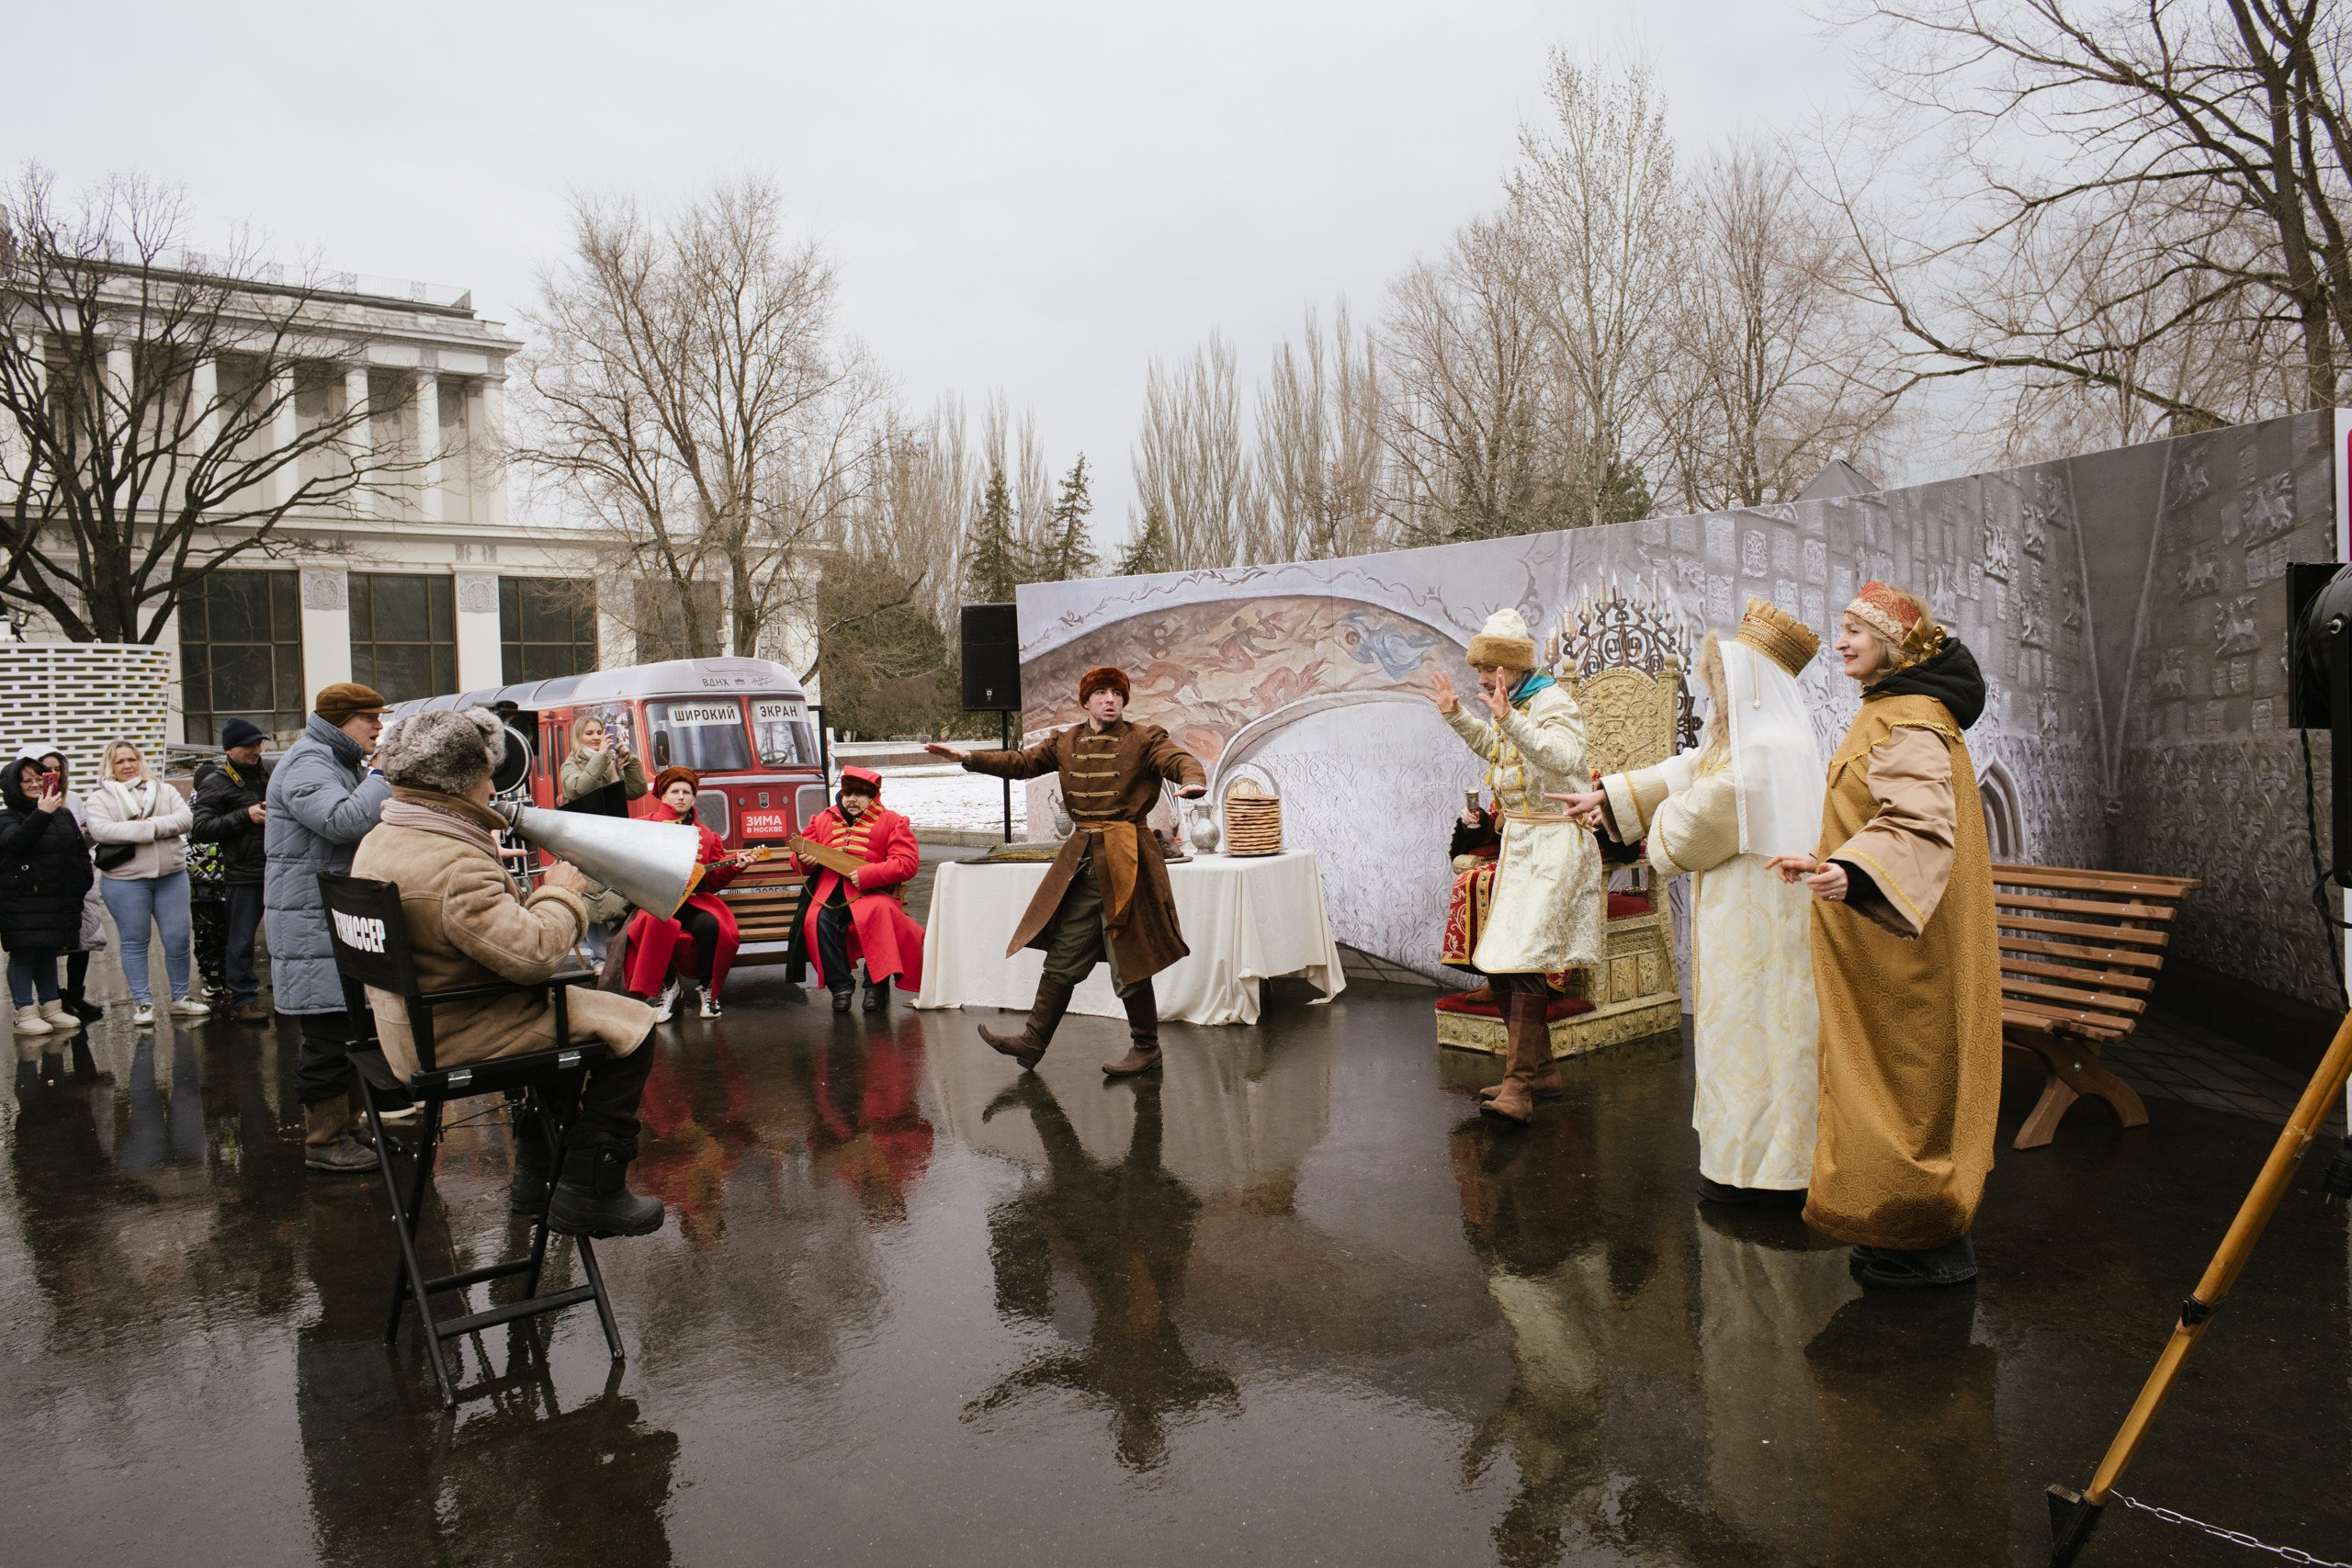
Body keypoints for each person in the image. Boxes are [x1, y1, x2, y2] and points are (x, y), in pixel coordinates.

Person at [352, 707, 664, 1237]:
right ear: (458, 782)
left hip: (406, 1026)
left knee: (577, 1026)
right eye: (485, 774)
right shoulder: (455, 866)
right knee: (634, 1025)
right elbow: (534, 957)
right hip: (457, 1032)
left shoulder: (383, 838)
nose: (493, 785)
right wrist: (560, 894)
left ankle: (537, 1176)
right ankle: (592, 1186)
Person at [1768, 582, 2000, 1290]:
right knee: (1882, 1085)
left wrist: (1855, 872)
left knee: (1908, 1087)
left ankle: (1927, 1242)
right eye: (1841, 626)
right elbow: (1875, 815)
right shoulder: (1890, 708)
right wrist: (1828, 858)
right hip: (1883, 946)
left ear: (1894, 644)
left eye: (1856, 630)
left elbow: (1919, 823)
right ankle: (1894, 1228)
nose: (1841, 641)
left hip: (1907, 954)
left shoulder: (1911, 717)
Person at [1556, 599, 1826, 1203]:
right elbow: (1692, 766)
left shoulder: (1763, 752)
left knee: (1755, 1041)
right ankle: (1751, 1164)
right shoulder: (1755, 741)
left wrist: (1652, 826)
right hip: (1750, 923)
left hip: (1754, 935)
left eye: (1723, 681)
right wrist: (1610, 796)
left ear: (1751, 683)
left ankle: (1765, 1176)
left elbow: (1684, 834)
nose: (1716, 695)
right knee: (1750, 1039)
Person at [924, 665, 1207, 1077]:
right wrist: (970, 758)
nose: (1110, 699)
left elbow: (1177, 759)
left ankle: (1146, 1048)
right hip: (1083, 862)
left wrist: (1193, 778)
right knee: (1065, 951)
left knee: (1129, 954)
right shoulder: (1066, 742)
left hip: (1127, 859)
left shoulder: (1145, 738)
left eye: (1117, 693)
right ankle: (1033, 1040)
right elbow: (1021, 762)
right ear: (1086, 701)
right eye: (1102, 693)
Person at [1425, 608, 1605, 1124]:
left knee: (1523, 961)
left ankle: (1519, 1085)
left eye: (1490, 669)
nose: (1482, 678)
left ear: (1513, 666)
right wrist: (1458, 715)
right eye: (1480, 669)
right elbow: (1498, 751)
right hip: (1521, 845)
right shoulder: (1516, 704)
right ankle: (1541, 1072)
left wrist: (1509, 719)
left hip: (1555, 845)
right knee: (1502, 960)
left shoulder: (1552, 703)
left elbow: (1562, 759)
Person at [266, 682, 394, 1173]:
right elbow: (342, 822)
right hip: (311, 924)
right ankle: (323, 1139)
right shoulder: (308, 762)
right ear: (342, 722)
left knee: (354, 1027)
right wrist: (380, 775)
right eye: (370, 718)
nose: (378, 726)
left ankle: (349, 1125)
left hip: (331, 917)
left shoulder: (336, 760)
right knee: (329, 1033)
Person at [622, 768, 758, 1021]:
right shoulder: (644, 825)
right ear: (663, 796)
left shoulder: (707, 835)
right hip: (658, 902)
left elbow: (711, 882)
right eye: (675, 791)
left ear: (694, 798)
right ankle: (669, 987)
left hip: (694, 901)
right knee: (654, 922)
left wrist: (734, 867)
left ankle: (708, 990)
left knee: (711, 925)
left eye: (686, 792)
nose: (681, 796)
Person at [84, 738, 202, 1028]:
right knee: (135, 942)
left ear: (140, 761)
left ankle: (180, 998)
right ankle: (143, 1003)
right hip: (125, 880)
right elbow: (102, 831)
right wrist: (155, 829)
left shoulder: (164, 789)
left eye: (131, 759)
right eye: (120, 761)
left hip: (171, 876)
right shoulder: (100, 798)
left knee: (177, 939)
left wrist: (150, 826)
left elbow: (185, 819)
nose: (127, 765)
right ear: (110, 766)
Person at [791, 766, 924, 1013]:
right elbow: (798, 857)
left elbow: (907, 863)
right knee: (818, 919)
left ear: (872, 797)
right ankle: (840, 987)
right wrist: (805, 860)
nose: (852, 799)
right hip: (830, 893)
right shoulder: (822, 820)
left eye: (859, 794)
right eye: (848, 793)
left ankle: (875, 988)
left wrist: (868, 874)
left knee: (879, 915)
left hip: (873, 893)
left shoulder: (892, 821)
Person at [0, 754, 95, 1041]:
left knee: (47, 950)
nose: (33, 784)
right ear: (13, 786)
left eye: (37, 778)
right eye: (25, 780)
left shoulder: (62, 813)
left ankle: (51, 1007)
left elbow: (79, 850)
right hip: (22, 899)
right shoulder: (6, 817)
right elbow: (15, 842)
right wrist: (41, 814)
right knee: (24, 952)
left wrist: (83, 880)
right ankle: (25, 1013)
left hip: (57, 896)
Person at [191, 719, 274, 1024]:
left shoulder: (270, 772)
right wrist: (245, 815)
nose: (256, 750)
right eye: (249, 745)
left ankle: (287, 991)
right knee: (241, 940)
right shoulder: (216, 781)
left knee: (283, 936)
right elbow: (201, 829)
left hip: (276, 866)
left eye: (258, 744)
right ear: (229, 749)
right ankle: (244, 999)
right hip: (243, 872)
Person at [18, 746, 107, 1023]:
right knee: (46, 944)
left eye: (58, 769)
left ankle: (75, 994)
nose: (53, 774)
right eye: (47, 769)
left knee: (83, 939)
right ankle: (53, 997)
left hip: (76, 879)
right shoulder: (21, 804)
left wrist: (90, 833)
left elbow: (82, 838)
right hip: (45, 883)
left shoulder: (74, 798)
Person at [557, 714, 649, 967]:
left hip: (614, 837)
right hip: (585, 840)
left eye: (599, 732)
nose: (596, 737)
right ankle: (600, 960)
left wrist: (629, 763)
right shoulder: (572, 763)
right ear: (579, 737)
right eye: (589, 733)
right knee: (593, 899)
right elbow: (578, 789)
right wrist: (600, 758)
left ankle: (622, 956)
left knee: (620, 895)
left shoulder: (609, 760)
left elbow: (636, 791)